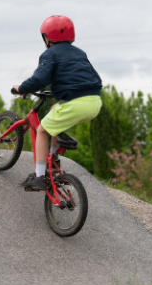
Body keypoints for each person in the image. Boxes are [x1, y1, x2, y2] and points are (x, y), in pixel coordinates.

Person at [11, 15, 103, 191]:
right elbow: (85, 77)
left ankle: (39, 176)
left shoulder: (49, 54)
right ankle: (53, 156)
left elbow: (40, 78)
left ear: (47, 37)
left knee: (42, 131)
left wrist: (22, 88)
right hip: (94, 102)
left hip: (76, 104)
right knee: (55, 109)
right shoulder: (80, 53)